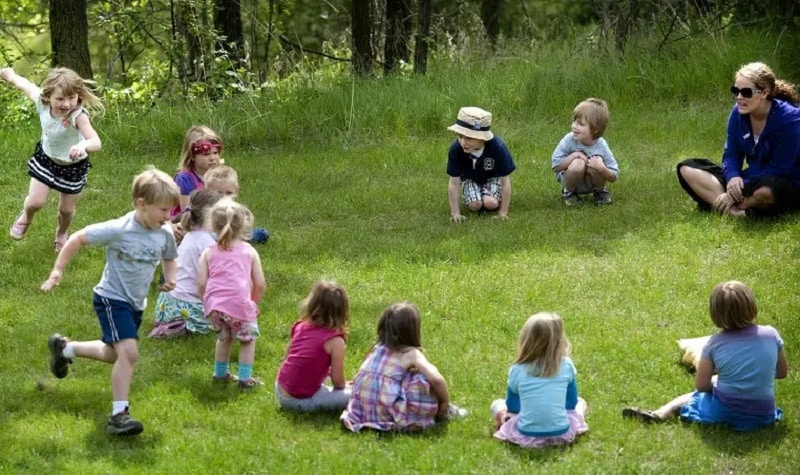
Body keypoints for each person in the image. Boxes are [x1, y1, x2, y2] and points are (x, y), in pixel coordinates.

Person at [40, 167, 180, 436]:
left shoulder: (164, 233)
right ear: (141, 204)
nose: (168, 216)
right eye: (163, 210)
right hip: (111, 299)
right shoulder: (119, 229)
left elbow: (169, 256)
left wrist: (170, 277)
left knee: (114, 353)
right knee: (129, 353)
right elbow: (78, 239)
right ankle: (119, 415)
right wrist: (57, 270)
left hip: (136, 303)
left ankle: (65, 348)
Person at [623, 280, 788, 432]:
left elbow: (701, 386)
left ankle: (660, 414)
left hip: (725, 412)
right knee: (719, 382)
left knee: (695, 396)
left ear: (715, 314)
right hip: (762, 415)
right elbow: (781, 373)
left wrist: (717, 386)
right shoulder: (771, 334)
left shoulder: (714, 344)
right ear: (752, 307)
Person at [676, 62, 800, 217]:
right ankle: (736, 212)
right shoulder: (738, 113)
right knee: (687, 168)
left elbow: (780, 168)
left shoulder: (790, 119)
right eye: (735, 91)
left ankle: (721, 203)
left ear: (764, 92)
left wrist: (741, 188)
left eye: (746, 92)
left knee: (766, 192)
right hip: (751, 178)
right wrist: (733, 176)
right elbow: (731, 154)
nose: (739, 97)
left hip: (785, 179)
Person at [0, 67, 103, 251]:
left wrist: (82, 146)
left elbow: (96, 142)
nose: (66, 104)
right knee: (35, 202)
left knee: (66, 210)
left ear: (78, 96)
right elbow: (25, 85)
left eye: (72, 98)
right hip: (46, 160)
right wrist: (9, 75)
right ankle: (26, 217)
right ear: (48, 96)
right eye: (60, 98)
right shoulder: (42, 102)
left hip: (73, 167)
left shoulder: (78, 116)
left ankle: (62, 233)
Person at [341, 302, 467, 432]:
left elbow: (359, 377)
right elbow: (436, 379)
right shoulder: (411, 353)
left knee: (404, 376)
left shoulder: (376, 349)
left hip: (363, 411)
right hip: (388, 413)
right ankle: (443, 412)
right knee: (422, 379)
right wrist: (445, 403)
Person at [491, 312, 589, 448]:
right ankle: (579, 427)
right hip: (561, 434)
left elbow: (512, 406)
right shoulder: (566, 365)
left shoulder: (518, 369)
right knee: (581, 402)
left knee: (497, 404)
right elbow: (571, 403)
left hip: (526, 434)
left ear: (526, 341)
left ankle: (503, 422)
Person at [198, 198, 266, 388]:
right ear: (244, 224)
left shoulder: (208, 252)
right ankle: (245, 378)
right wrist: (253, 303)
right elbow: (260, 283)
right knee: (247, 341)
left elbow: (201, 282)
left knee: (224, 338)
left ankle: (219, 374)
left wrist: (207, 302)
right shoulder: (249, 251)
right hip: (240, 305)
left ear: (212, 225)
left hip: (215, 308)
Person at [149, 188, 222, 338]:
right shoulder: (208, 244)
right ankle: (182, 325)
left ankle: (171, 321)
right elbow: (211, 282)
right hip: (188, 304)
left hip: (167, 302)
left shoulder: (189, 236)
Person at [275, 280, 351, 411]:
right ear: (342, 310)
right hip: (300, 400)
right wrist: (347, 387)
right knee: (355, 395)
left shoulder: (300, 326)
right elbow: (338, 382)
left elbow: (288, 357)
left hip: (280, 388)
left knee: (317, 372)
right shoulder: (336, 341)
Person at [446, 107, 516, 221]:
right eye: (460, 136)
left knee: (491, 203)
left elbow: (505, 181)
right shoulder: (456, 149)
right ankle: (475, 196)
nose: (463, 142)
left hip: (492, 178)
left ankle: (489, 196)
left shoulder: (497, 147)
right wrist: (455, 213)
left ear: (482, 138)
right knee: (475, 205)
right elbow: (454, 182)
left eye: (469, 138)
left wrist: (503, 212)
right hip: (469, 178)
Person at [551, 98, 619, 205]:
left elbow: (614, 176)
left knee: (597, 161)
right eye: (573, 121)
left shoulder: (601, 145)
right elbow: (555, 166)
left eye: (580, 124)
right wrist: (575, 155)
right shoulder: (569, 139)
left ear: (595, 129)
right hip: (570, 179)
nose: (574, 126)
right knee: (578, 163)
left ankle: (599, 192)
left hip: (592, 181)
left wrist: (601, 168)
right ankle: (570, 193)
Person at [204, 165, 269, 245]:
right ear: (207, 193)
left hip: (236, 235)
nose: (224, 197)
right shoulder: (207, 210)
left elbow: (244, 226)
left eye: (229, 193)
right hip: (214, 236)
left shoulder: (237, 209)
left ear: (237, 191)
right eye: (218, 194)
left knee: (262, 234)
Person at [172, 125, 222, 218]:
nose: (212, 158)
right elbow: (186, 214)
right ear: (192, 156)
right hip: (186, 225)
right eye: (206, 154)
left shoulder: (218, 176)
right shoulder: (185, 179)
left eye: (215, 153)